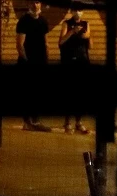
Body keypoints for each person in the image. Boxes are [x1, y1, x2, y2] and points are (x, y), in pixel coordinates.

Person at [15, 1, 51, 132]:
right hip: (28, 64)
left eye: (38, 2)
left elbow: (46, 42)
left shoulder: (43, 21)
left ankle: (35, 121)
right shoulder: (24, 21)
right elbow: (20, 45)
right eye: (33, 2)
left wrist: (46, 59)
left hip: (40, 62)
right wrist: (27, 61)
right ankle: (27, 122)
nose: (36, 6)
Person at [59, 5, 92, 134]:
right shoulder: (66, 24)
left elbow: (88, 37)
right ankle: (67, 123)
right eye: (76, 10)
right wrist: (72, 32)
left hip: (82, 61)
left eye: (80, 10)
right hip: (69, 61)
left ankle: (79, 122)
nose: (78, 13)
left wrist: (83, 33)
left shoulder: (86, 24)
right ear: (71, 11)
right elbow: (61, 42)